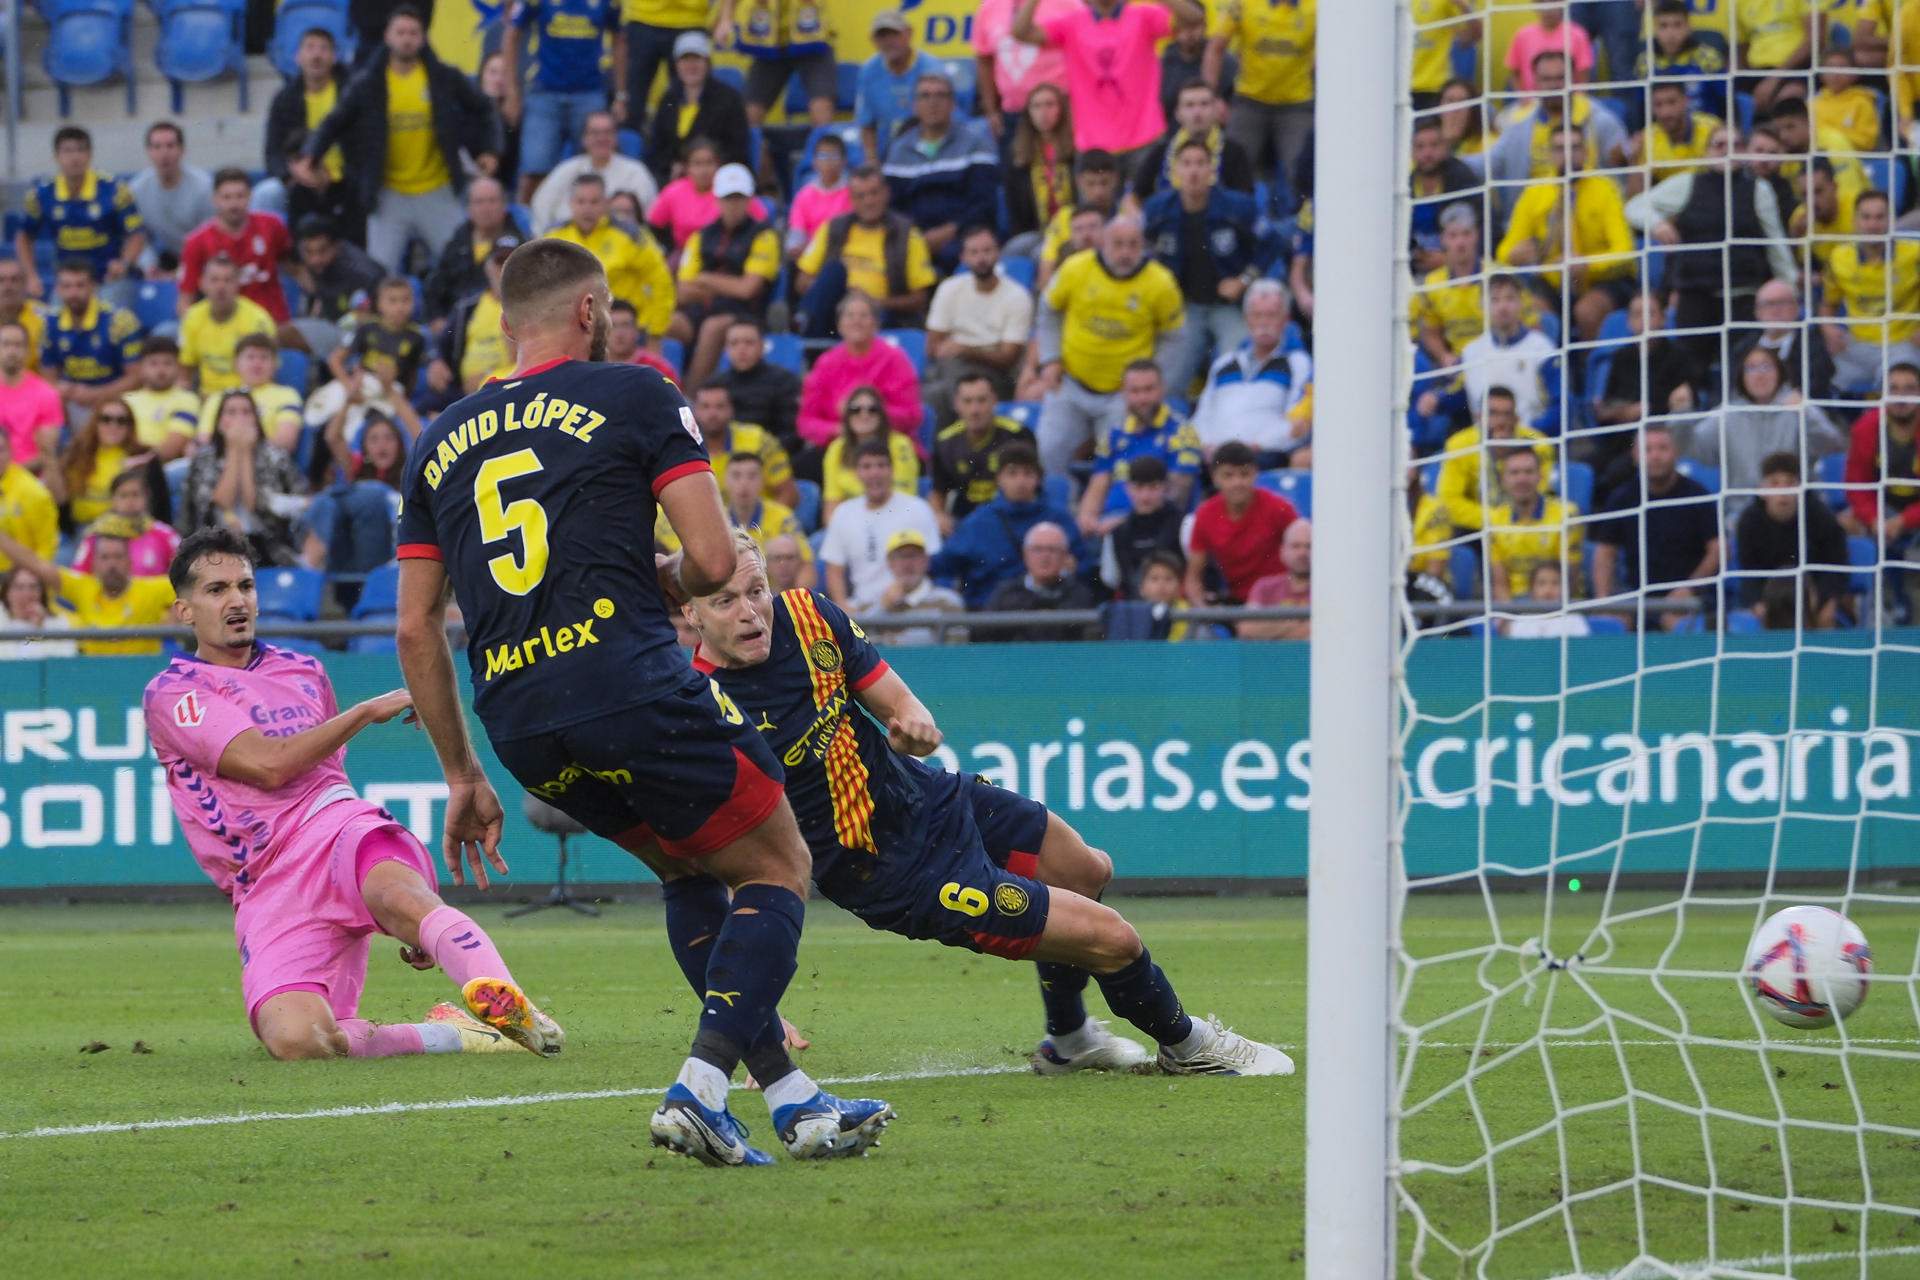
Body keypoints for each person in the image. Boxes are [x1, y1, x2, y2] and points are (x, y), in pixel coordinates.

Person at [394, 237, 888, 1166]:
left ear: (507, 325)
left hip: (519, 721)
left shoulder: (435, 441)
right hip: (626, 684)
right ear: (590, 311)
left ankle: (793, 1099)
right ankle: (702, 1088)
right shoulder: (635, 390)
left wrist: (460, 773)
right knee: (778, 865)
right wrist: (661, 575)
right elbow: (709, 561)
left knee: (692, 876)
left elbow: (418, 629)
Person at [682, 536, 1291, 1073]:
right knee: (1115, 941)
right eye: (725, 601)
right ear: (691, 612)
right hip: (894, 874)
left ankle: (1070, 1038)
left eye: (756, 590)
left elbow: (897, 701)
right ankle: (1191, 1047)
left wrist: (912, 722)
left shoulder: (810, 615)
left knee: (1087, 871)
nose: (751, 613)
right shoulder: (700, 712)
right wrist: (752, 1003)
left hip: (933, 798)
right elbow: (727, 868)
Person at [138, 526, 563, 1060]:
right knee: (301, 1042)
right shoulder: (175, 693)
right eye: (217, 589)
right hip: (267, 884)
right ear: (183, 610)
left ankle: (513, 1006)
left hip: (336, 826)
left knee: (402, 898)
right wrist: (363, 712)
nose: (236, 600)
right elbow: (268, 766)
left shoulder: (304, 671)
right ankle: (458, 1033)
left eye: (245, 586)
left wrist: (404, 918)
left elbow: (327, 780)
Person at [293, 6, 503, 273]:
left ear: (423, 37)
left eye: (413, 32)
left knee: (461, 268)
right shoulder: (368, 83)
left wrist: (490, 149)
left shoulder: (444, 77)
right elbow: (334, 121)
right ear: (387, 37)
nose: (407, 38)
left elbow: (484, 108)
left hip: (437, 190)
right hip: (388, 195)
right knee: (380, 275)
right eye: (400, 32)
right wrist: (311, 155)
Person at [1625, 124, 1800, 370]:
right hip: (1696, 298)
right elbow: (1634, 208)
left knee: (1741, 369)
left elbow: (1775, 243)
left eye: (1736, 145)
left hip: (1743, 298)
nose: (1728, 151)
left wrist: (1790, 287)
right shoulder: (1687, 183)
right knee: (1690, 370)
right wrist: (1657, 224)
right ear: (1707, 152)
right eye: (1720, 145)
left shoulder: (1759, 190)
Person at [1036, 216, 1185, 480]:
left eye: (1132, 245)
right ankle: (1062, 511)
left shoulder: (1161, 283)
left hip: (1122, 395)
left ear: (1143, 246)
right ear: (1103, 243)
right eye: (1118, 244)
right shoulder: (1075, 268)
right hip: (1071, 383)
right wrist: (1050, 358)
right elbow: (1048, 310)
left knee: (1122, 464)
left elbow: (1174, 337)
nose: (1125, 253)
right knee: (1048, 448)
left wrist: (1148, 383)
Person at [1142, 139, 1274, 394]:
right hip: (1184, 307)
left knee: (1234, 374)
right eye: (1187, 164)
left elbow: (1271, 243)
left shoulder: (1238, 206)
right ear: (1175, 170)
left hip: (1228, 307)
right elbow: (1142, 252)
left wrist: (1244, 280)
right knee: (1167, 382)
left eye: (1201, 164)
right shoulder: (1157, 209)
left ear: (1212, 170)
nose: (1194, 171)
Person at [1014, 0, 1202, 168]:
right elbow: (1021, 32)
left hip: (1145, 139)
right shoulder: (1071, 24)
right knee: (1094, 208)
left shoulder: (1143, 16)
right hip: (1093, 145)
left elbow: (1193, 18)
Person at [1495, 125, 1634, 342]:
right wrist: (1513, 256)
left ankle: (1589, 372)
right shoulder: (1535, 193)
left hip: (1602, 280)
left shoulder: (1606, 189)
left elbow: (1625, 251)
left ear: (1586, 152)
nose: (1567, 155)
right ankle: (1551, 371)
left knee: (1587, 312)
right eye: (1560, 149)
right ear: (1550, 154)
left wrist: (1587, 264)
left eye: (1574, 147)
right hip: (1553, 281)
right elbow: (1504, 251)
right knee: (1537, 316)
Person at [1592, 422, 1722, 628]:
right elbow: (1605, 552)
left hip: (1687, 599)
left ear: (1675, 452)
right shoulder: (1621, 498)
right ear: (1635, 456)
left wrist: (1690, 587)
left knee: (1676, 623)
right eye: (1647, 449)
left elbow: (1717, 550)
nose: (1655, 456)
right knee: (1611, 623)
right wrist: (1603, 599)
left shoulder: (1698, 495)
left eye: (1662, 448)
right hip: (1635, 598)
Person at [931, 441, 1083, 608]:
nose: (1020, 481)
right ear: (999, 479)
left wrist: (1073, 567)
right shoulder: (978, 522)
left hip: (1050, 611)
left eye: (1028, 473)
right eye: (1012, 473)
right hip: (992, 617)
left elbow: (1085, 566)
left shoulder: (1059, 519)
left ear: (1039, 479)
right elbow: (943, 564)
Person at [501, 0, 624, 203]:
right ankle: (526, 229)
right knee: (534, 170)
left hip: (590, 93)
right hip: (544, 93)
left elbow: (620, 39)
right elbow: (511, 34)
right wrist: (512, 92)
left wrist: (621, 95)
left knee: (596, 166)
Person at [1484, 51, 1628, 224]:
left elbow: (1623, 174)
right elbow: (1487, 163)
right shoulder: (1517, 126)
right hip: (1532, 222)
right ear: (1535, 82)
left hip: (1591, 221)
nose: (1553, 85)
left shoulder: (1602, 122)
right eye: (1546, 79)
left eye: (1560, 78)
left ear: (1572, 80)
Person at [669, 164, 781, 385]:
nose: (733, 205)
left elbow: (748, 290)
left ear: (749, 201)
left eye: (739, 199)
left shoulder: (765, 236)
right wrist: (726, 287)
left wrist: (707, 279)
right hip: (703, 308)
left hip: (745, 314)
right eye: (728, 198)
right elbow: (683, 290)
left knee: (713, 328)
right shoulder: (701, 235)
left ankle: (692, 398)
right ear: (717, 200)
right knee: (666, 322)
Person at [1685, 344, 1844, 496]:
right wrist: (1681, 414)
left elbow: (1832, 444)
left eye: (1766, 366)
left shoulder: (1798, 408)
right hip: (1740, 512)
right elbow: (1690, 447)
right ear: (1741, 376)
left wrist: (1807, 413)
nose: (1759, 374)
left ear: (1779, 372)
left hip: (1796, 509)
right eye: (1751, 368)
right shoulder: (1726, 414)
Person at [794, 167, 937, 336]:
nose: (868, 201)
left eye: (874, 193)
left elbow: (919, 299)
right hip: (834, 313)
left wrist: (870, 302)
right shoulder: (832, 228)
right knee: (834, 271)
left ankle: (806, 331)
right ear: (851, 199)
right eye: (860, 196)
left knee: (862, 313)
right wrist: (844, 292)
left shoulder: (908, 235)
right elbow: (801, 283)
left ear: (886, 194)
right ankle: (807, 332)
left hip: (881, 315)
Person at [882, 74, 1002, 274]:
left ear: (953, 103)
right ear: (914, 105)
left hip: (964, 238)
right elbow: (893, 207)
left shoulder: (976, 144)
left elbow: (984, 204)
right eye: (925, 96)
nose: (933, 102)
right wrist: (916, 239)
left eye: (941, 95)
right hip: (913, 240)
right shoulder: (898, 150)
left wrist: (948, 232)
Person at [13, 127, 146, 301]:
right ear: (56, 156)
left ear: (90, 155)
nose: (74, 157)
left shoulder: (115, 190)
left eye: (80, 150)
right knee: (53, 320)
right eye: (67, 151)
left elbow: (137, 234)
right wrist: (30, 276)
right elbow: (24, 236)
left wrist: (124, 263)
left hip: (109, 281)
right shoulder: (41, 194)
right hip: (67, 284)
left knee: (113, 320)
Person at [0, 523, 174, 656]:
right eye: (105, 557)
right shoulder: (82, 588)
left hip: (139, 677)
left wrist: (175, 618)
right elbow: (35, 564)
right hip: (90, 680)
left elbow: (190, 589)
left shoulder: (154, 589)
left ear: (129, 562)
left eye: (118, 557)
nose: (112, 564)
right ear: (94, 564)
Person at [1204, 0, 1315, 209]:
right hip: (1250, 100)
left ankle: (1301, 227)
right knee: (1232, 165)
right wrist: (1212, 97)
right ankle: (1228, 221)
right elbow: (1215, 47)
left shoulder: (1316, 7)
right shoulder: (1243, 4)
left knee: (1302, 170)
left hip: (1296, 103)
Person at [183, 390, 308, 567]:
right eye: (231, 412)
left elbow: (255, 505)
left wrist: (246, 454)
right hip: (213, 546)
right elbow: (220, 502)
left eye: (246, 412)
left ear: (256, 420)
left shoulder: (276, 457)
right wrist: (234, 450)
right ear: (219, 423)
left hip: (270, 547)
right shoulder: (204, 459)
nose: (239, 419)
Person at [1076, 361, 1200, 538]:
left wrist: (1124, 523)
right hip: (1108, 527)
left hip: (1156, 529)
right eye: (1135, 391)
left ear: (1162, 389)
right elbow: (1098, 483)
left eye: (1149, 389)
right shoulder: (1114, 434)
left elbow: (1176, 496)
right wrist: (1087, 518)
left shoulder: (1182, 433)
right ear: (1124, 393)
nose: (1142, 398)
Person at [549, 174, 677, 340]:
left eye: (594, 202)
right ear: (571, 203)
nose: (587, 208)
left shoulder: (631, 236)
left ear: (605, 204)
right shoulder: (552, 238)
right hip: (570, 332)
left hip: (625, 331)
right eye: (581, 202)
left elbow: (661, 280)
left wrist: (655, 332)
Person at [820, 438, 943, 610]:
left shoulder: (917, 508)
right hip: (864, 607)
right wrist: (844, 608)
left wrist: (907, 592)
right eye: (867, 466)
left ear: (892, 470)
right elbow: (834, 569)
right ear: (857, 473)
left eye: (881, 465)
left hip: (914, 603)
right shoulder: (843, 512)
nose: (874, 473)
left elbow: (932, 563)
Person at [1819, 190, 1920, 395]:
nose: (1873, 225)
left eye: (1879, 217)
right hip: (1857, 347)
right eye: (1866, 217)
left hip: (1902, 344)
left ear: (1891, 220)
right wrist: (1828, 329)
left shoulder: (1914, 255)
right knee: (1820, 382)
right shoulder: (1839, 259)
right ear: (1855, 221)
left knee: (1897, 385)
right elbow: (1827, 305)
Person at [1734, 451, 1851, 626]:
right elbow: (1748, 571)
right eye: (1775, 484)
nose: (1783, 491)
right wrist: (1756, 604)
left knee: (1827, 619)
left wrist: (1827, 601)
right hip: (1769, 601)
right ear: (1762, 489)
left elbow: (1836, 566)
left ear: (1800, 488)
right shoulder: (1749, 522)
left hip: (1816, 598)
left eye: (1790, 483)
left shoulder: (1820, 516)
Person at [264, 27, 359, 243]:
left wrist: (342, 173)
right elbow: (272, 151)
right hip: (300, 179)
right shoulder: (284, 99)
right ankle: (270, 264)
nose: (316, 55)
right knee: (265, 194)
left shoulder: (352, 94)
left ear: (334, 57)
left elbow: (367, 143)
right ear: (298, 56)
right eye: (310, 48)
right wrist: (291, 175)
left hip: (346, 179)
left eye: (324, 49)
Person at [796, 293, 923, 452]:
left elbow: (912, 416)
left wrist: (871, 414)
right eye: (849, 316)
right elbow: (806, 422)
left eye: (864, 316)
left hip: (887, 446)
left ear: (876, 324)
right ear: (839, 325)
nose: (856, 321)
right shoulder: (825, 363)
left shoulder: (895, 359)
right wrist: (840, 430)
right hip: (838, 445)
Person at [923, 227, 1033, 412]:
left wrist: (965, 350)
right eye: (974, 252)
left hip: (995, 373)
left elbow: (1008, 357)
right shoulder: (950, 288)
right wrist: (959, 351)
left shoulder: (1017, 296)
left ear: (998, 253)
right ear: (963, 257)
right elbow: (933, 346)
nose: (981, 258)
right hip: (951, 365)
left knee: (950, 389)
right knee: (931, 392)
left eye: (987, 251)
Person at [657, 452, 811, 581]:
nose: (744, 484)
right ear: (725, 481)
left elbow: (806, 566)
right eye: (736, 476)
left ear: (762, 481)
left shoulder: (782, 516)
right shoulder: (711, 518)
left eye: (752, 476)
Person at [180, 169, 294, 329]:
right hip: (223, 329)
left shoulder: (272, 226)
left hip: (274, 324)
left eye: (240, 196)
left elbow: (294, 267)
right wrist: (196, 331)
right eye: (226, 197)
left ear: (250, 196)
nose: (234, 204)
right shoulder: (196, 242)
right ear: (215, 200)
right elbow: (186, 299)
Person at [1435, 386, 1556, 534]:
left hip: (1528, 525)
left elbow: (1539, 493)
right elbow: (1448, 501)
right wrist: (1495, 519)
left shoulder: (1539, 444)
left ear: (1516, 418)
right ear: (1479, 417)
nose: (1501, 421)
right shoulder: (1459, 446)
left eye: (1507, 414)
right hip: (1478, 527)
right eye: (1493, 414)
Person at [1458, 275, 1563, 436]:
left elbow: (1561, 403)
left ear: (1521, 302)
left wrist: (1529, 433)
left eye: (1510, 299)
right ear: (1482, 306)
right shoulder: (1470, 352)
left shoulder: (1541, 349)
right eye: (1495, 300)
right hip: (1483, 444)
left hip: (1529, 442)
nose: (1503, 307)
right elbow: (1455, 395)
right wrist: (1435, 399)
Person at [930, 373, 1035, 534]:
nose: (975, 410)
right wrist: (938, 515)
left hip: (1011, 517)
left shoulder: (1017, 435)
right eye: (967, 401)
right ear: (956, 404)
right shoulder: (945, 441)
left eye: (981, 400)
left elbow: (1034, 485)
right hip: (964, 520)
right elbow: (938, 490)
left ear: (994, 401)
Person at [529, 111, 663, 236]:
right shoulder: (565, 170)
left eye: (607, 132)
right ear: (584, 138)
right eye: (594, 133)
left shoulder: (636, 172)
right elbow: (541, 208)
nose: (601, 138)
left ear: (616, 137)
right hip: (569, 248)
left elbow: (648, 219)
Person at [646, 32, 753, 184]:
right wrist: (672, 166)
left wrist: (699, 168)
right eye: (685, 60)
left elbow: (737, 148)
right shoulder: (669, 99)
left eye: (696, 59)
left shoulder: (729, 99)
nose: (691, 66)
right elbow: (658, 145)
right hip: (673, 179)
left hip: (718, 179)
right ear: (676, 64)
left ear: (707, 63)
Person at [715, 0, 839, 129]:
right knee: (749, 113)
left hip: (812, 36)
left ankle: (822, 148)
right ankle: (757, 148)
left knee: (822, 107)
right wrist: (725, 19)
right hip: (769, 41)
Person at [42, 260, 144, 416]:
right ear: (58, 290)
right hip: (72, 401)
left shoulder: (120, 321)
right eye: (67, 286)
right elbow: (48, 377)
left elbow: (136, 378)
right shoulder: (50, 323)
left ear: (94, 287)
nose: (73, 293)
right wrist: (60, 389)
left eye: (80, 285)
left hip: (116, 400)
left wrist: (96, 394)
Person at [1482, 448, 1581, 604]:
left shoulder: (1567, 515)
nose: (1522, 479)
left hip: (1557, 601)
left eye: (1528, 472)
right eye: (1514, 473)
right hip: (1514, 604)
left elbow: (1570, 576)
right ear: (1503, 479)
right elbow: (1500, 583)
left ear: (1540, 476)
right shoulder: (1493, 520)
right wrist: (1511, 620)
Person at [1132, 81, 1254, 206]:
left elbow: (1245, 201)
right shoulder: (1161, 152)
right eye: (1189, 105)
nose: (1197, 112)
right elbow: (1135, 197)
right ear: (1177, 114)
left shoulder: (1235, 152)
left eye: (1204, 104)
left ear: (1216, 110)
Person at [1842, 361, 1920, 554]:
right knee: (1843, 524)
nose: (1901, 396)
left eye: (1909, 389)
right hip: (1882, 508)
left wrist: (1904, 520)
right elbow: (1856, 485)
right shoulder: (1865, 428)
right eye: (1893, 389)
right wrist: (1874, 519)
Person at [424, 179, 527, 324]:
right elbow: (436, 285)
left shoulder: (517, 245)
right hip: (455, 324)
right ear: (469, 209)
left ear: (505, 206)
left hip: (498, 324)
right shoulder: (457, 242)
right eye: (479, 202)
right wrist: (436, 319)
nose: (486, 208)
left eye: (492, 201)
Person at [975, 0, 1078, 144]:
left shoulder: (1069, 4)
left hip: (1060, 113)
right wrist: (991, 110)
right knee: (1017, 165)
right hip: (1013, 114)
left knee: (1062, 165)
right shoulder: (989, 7)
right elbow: (985, 60)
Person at [647, 137, 771, 252]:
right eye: (697, 164)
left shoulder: (733, 189)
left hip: (734, 255)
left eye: (709, 163)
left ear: (719, 165)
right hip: (684, 256)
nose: (704, 170)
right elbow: (654, 227)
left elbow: (763, 225)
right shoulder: (673, 191)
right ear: (687, 167)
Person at [686, 381, 798, 508]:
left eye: (720, 406)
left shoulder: (758, 440)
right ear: (694, 411)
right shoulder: (684, 448)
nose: (713, 414)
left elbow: (788, 493)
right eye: (705, 406)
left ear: (731, 409)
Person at [287, 214, 385, 359]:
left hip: (359, 337)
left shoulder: (362, 274)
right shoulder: (316, 265)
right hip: (334, 324)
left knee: (284, 334)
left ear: (336, 246)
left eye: (322, 251)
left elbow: (370, 320)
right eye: (309, 251)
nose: (315, 259)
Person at [982, 521, 1099, 641]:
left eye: (1052, 550)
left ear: (1065, 556)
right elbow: (985, 634)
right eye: (1037, 549)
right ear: (1025, 555)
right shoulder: (1005, 593)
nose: (1045, 556)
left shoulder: (1080, 594)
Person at [432, 239, 521, 395]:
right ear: (488, 267)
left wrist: (486, 375)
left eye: (512, 261)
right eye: (500, 262)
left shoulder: (533, 307)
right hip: (462, 392)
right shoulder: (467, 307)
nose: (505, 268)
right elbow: (443, 344)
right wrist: (437, 361)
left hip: (510, 387)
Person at [820, 386, 921, 523]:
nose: (864, 414)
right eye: (856, 410)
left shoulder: (901, 445)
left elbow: (902, 500)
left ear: (882, 414)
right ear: (847, 415)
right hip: (851, 525)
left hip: (896, 522)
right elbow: (832, 507)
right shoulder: (836, 449)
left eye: (872, 409)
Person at [180, 257, 278, 397]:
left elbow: (267, 374)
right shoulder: (192, 317)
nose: (221, 287)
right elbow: (185, 374)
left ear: (238, 283)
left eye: (228, 280)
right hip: (207, 398)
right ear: (202, 283)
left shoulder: (258, 320)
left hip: (248, 400)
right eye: (214, 280)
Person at [52, 396, 154, 528]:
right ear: (96, 423)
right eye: (106, 419)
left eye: (121, 421)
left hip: (126, 526)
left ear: (130, 426)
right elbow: (61, 498)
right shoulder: (77, 452)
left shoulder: (141, 455)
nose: (113, 426)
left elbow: (149, 505)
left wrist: (132, 473)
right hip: (81, 526)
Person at [857, 10, 945, 162]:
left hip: (930, 150)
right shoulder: (868, 71)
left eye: (894, 34)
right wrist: (872, 163)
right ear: (874, 41)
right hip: (887, 154)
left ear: (909, 33)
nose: (889, 41)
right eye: (882, 36)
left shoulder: (932, 68)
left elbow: (943, 120)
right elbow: (866, 124)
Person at [128, 122, 214, 270]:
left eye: (170, 146)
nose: (164, 153)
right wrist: (148, 266)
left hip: (204, 260)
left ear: (182, 150)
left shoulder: (204, 187)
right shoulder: (137, 189)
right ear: (148, 151)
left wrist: (186, 271)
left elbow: (212, 239)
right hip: (167, 259)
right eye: (157, 147)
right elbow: (139, 238)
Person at [1034, 149, 1122, 289]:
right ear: (1079, 182)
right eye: (1091, 184)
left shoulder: (1125, 217)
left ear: (1115, 179)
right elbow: (1047, 266)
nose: (1098, 192)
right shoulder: (1064, 217)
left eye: (1104, 183)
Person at [620, 0, 712, 134]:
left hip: (691, 17)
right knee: (634, 100)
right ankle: (630, 151)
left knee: (692, 97)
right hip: (643, 16)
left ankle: (693, 150)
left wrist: (724, 18)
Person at [1099, 455, 1185, 598]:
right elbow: (1111, 579)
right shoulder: (1116, 534)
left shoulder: (1185, 525)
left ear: (1166, 487)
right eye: (1139, 487)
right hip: (1135, 614)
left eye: (1153, 487)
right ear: (1128, 489)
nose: (1145, 496)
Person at [1004, 83, 1076, 251]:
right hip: (1036, 232)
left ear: (1062, 109)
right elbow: (1014, 209)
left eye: (1050, 104)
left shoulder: (1077, 150)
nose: (1043, 112)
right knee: (1014, 250)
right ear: (1028, 113)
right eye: (1036, 106)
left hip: (1074, 230)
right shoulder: (1017, 155)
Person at [203, 335, 306, 452]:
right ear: (236, 363)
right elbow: (204, 440)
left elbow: (286, 441)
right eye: (250, 357)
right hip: (219, 461)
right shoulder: (218, 398)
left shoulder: (287, 395)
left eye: (264, 358)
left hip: (265, 460)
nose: (257, 364)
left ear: (275, 364)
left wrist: (244, 449)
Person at [73, 470, 181, 580]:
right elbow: (79, 577)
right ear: (113, 500)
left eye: (135, 494)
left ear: (147, 497)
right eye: (123, 495)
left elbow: (181, 574)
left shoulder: (165, 535)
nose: (130, 501)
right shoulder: (94, 536)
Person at [864, 527, 965, 645]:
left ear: (926, 561)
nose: (907, 564)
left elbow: (958, 649)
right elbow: (857, 645)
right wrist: (882, 607)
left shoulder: (948, 601)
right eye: (900, 557)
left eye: (913, 556)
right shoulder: (874, 601)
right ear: (889, 563)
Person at [714, 319, 801, 445]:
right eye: (734, 343)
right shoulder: (716, 385)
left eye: (749, 343)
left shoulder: (785, 382)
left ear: (762, 346)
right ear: (726, 349)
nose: (741, 349)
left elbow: (792, 433)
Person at [1733, 0, 1818, 115]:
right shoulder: (1740, 3)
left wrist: (1774, 78)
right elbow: (1742, 45)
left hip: (1798, 68)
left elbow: (1815, 40)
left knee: (1789, 100)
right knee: (1730, 98)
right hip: (1757, 70)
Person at [122, 336, 199, 463]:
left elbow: (173, 446)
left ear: (178, 367)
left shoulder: (187, 399)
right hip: (124, 462)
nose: (161, 370)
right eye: (153, 363)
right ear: (141, 368)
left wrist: (139, 462)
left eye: (167, 363)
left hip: (163, 469)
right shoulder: (126, 400)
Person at [0, 322, 63, 474]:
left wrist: (9, 474)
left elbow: (47, 454)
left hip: (29, 480)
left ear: (28, 351)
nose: (11, 351)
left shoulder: (46, 394)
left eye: (18, 345)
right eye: (5, 344)